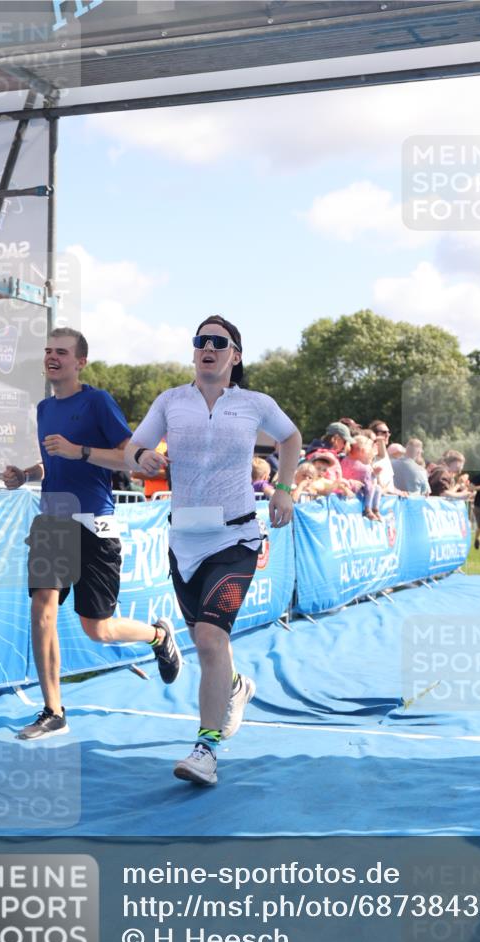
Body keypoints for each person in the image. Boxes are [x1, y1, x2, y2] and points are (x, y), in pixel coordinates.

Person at [125, 315, 302, 787]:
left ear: (234, 355)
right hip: (183, 541)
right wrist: (142, 458)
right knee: (210, 646)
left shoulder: (254, 403)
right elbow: (132, 449)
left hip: (236, 538)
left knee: (207, 639)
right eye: (200, 341)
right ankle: (238, 686)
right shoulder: (170, 402)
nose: (207, 348)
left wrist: (284, 487)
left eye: (217, 342)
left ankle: (206, 749)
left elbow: (290, 437)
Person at [3, 328, 182, 740]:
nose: (52, 357)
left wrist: (78, 450)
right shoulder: (45, 408)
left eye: (61, 352)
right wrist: (25, 475)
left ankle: (158, 636)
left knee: (97, 629)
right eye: (47, 350)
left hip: (95, 524)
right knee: (41, 607)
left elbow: (129, 457)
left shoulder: (98, 401)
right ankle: (53, 711)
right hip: (53, 520)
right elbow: (54, 463)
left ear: (80, 361)